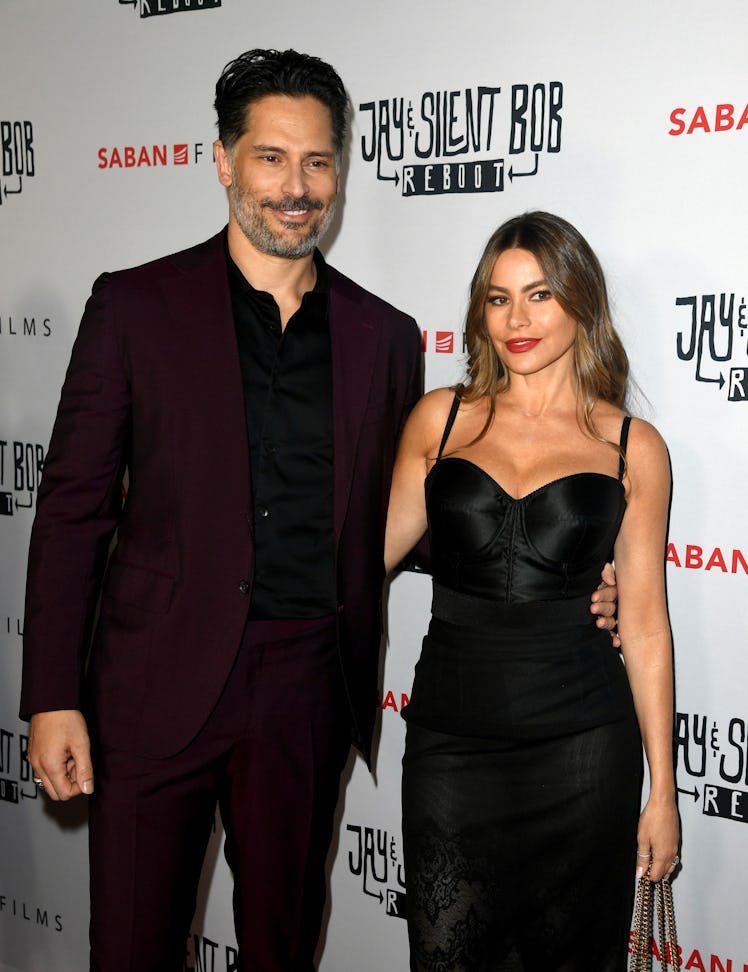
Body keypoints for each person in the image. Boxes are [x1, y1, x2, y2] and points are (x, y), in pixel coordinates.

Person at [19, 48, 618, 969]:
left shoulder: (384, 336)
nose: (295, 188)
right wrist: (54, 696)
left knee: (284, 949)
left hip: (305, 688)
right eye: (270, 158)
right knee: (131, 949)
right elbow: (71, 509)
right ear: (222, 160)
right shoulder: (135, 307)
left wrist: (571, 563)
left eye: (317, 162)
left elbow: (409, 517)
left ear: (340, 169)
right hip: (153, 684)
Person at [385, 212, 679, 972]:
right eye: (497, 298)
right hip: (452, 743)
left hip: (583, 748)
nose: (516, 319)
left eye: (539, 294)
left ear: (580, 301)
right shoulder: (440, 418)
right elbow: (355, 564)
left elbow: (644, 627)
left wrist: (664, 792)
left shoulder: (631, 446)